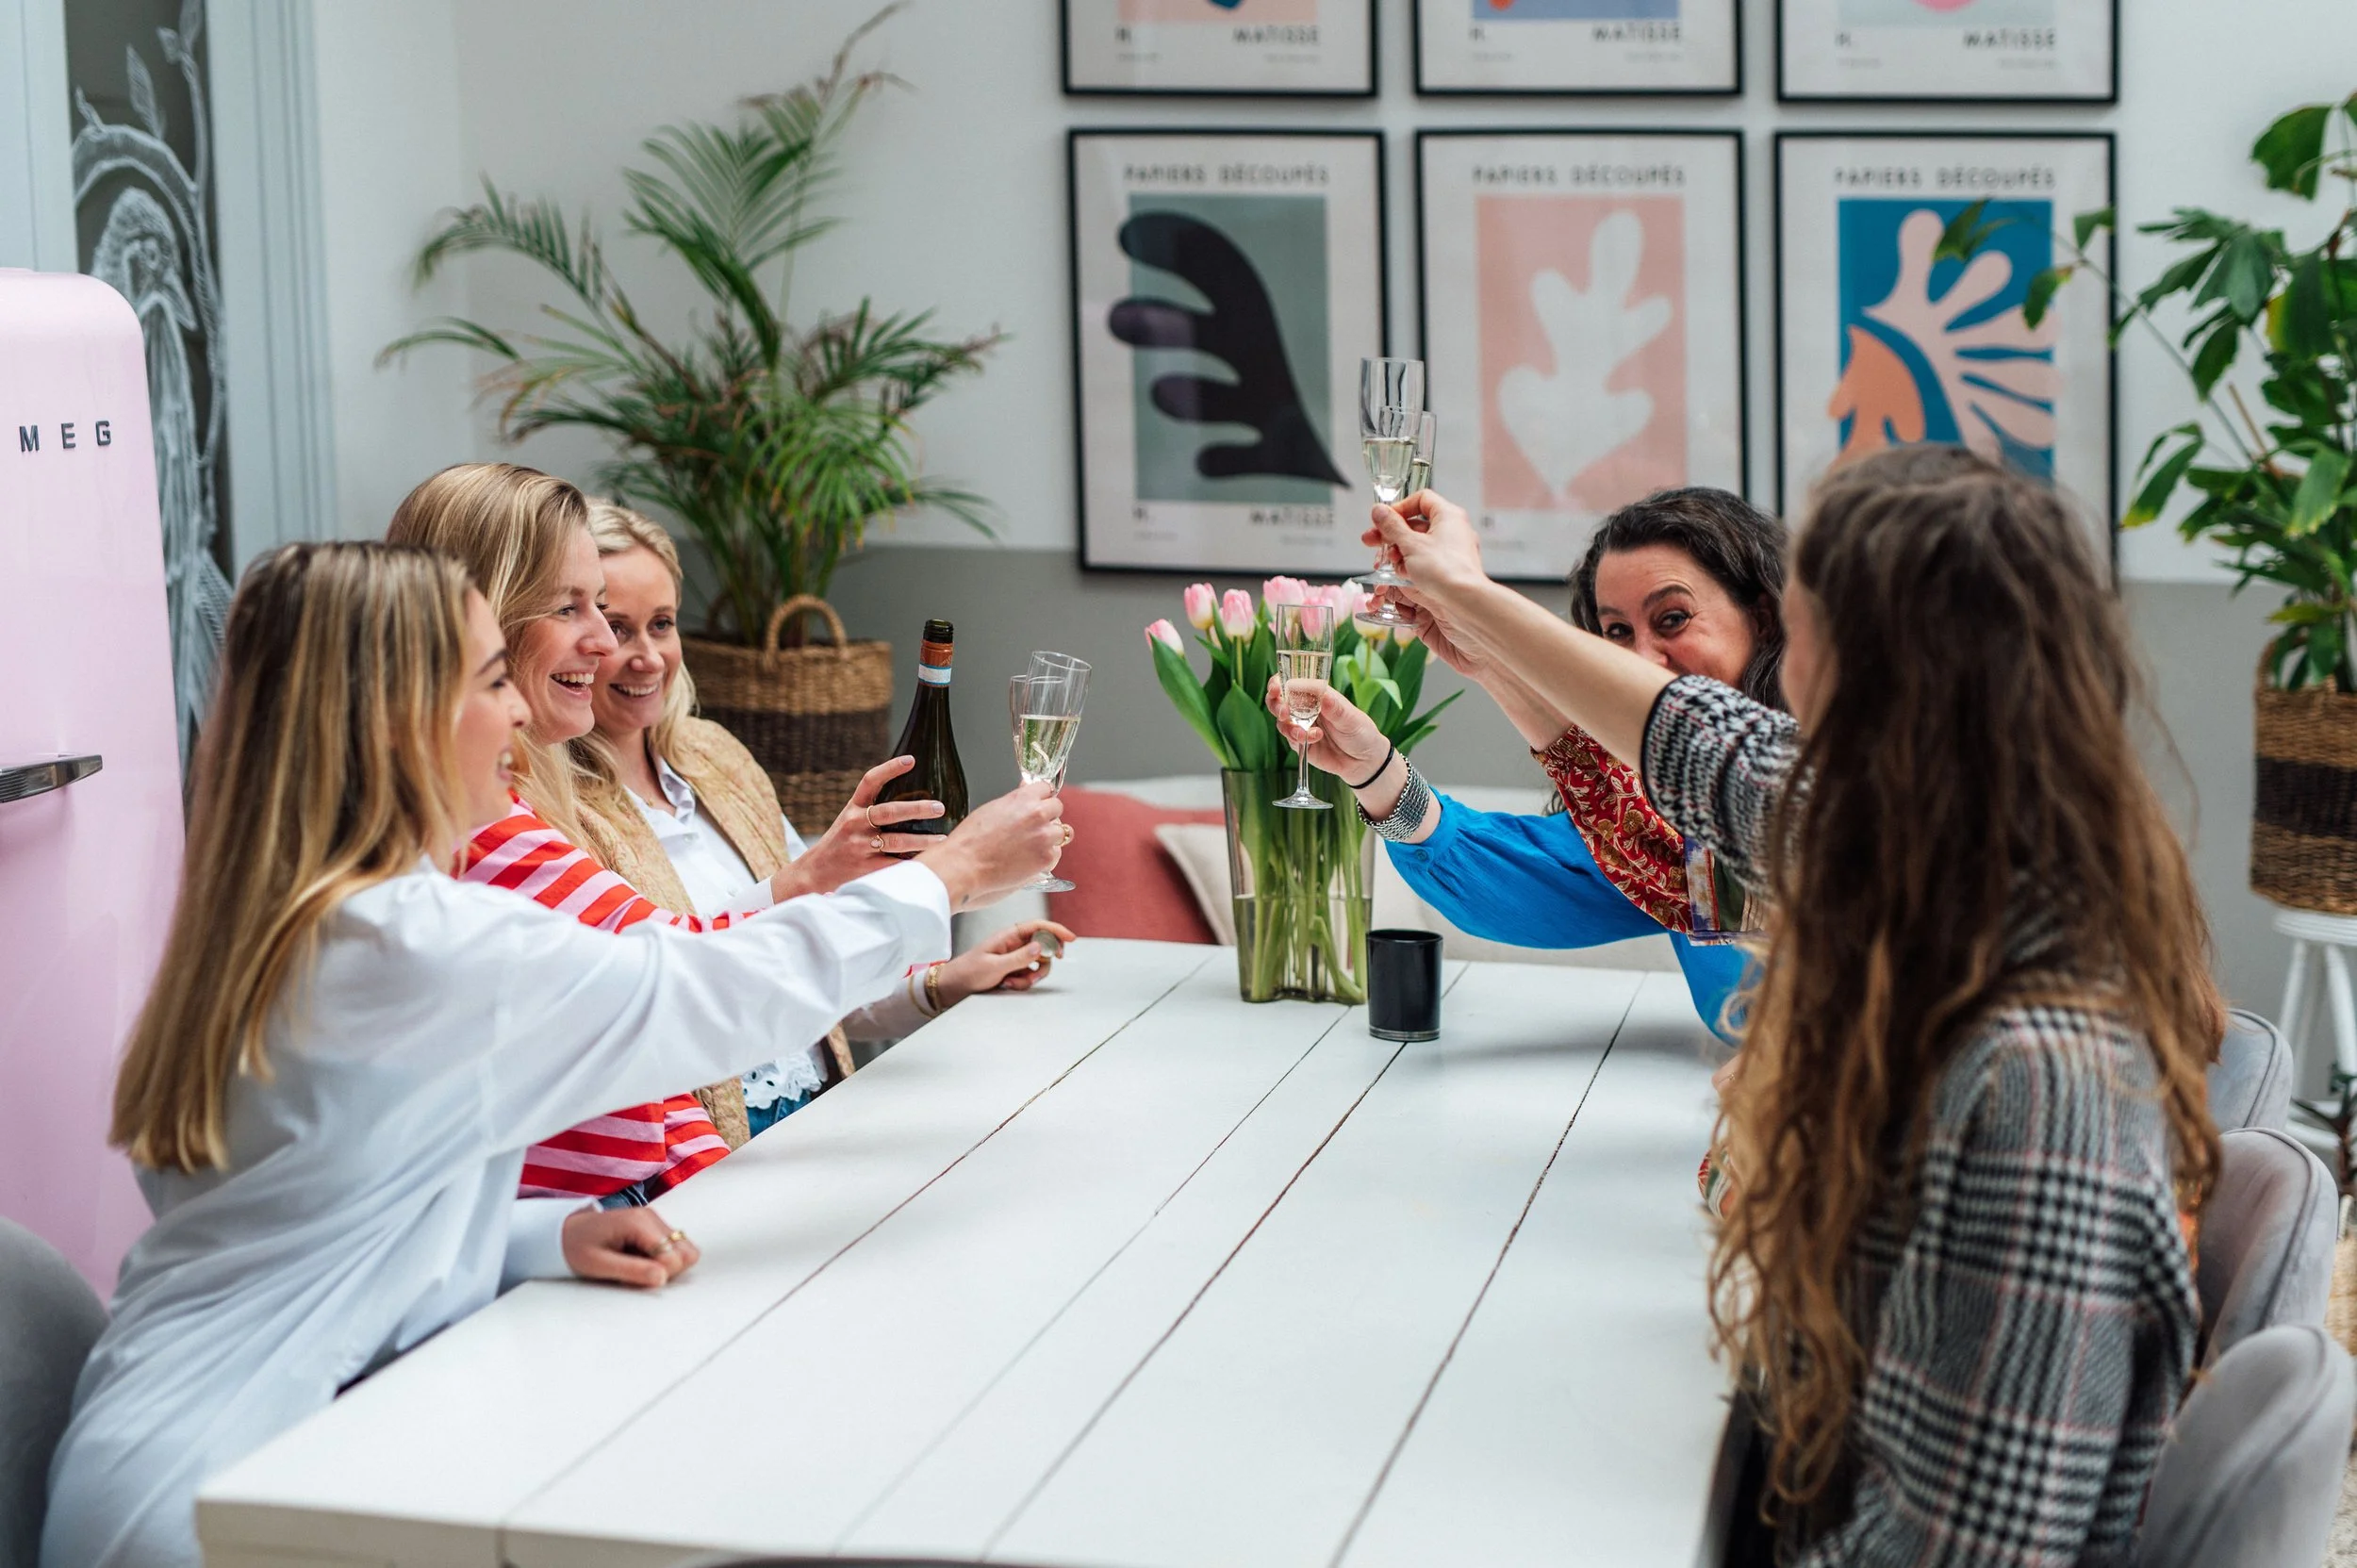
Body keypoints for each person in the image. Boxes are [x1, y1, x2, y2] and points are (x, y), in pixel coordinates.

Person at [41, 542, 1063, 1568]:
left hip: (167, 1448)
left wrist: (536, 1237)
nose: (522, 713)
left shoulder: (269, 924)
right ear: (401, 718)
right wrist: (950, 871)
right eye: (493, 681)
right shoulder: (412, 943)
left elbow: (316, 1221)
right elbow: (707, 997)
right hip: (222, 1506)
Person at [1368, 447, 2219, 1564]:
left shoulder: (2034, 1084)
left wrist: (1474, 605)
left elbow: (1954, 1553)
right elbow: (1705, 763)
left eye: (1797, 615)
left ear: (1862, 655)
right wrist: (1475, 622)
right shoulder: (1951, 850)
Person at [387, 464, 1030, 1204]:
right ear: (479, 633)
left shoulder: (702, 757)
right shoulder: (491, 831)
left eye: (654, 621)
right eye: (576, 609)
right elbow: (688, 990)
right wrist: (953, 870)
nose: (610, 645)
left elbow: (668, 1000)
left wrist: (921, 946)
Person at [570, 500, 1076, 1136]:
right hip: (704, 1151)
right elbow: (682, 996)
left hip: (822, 1117)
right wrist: (817, 876)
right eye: (618, 628)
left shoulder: (717, 757)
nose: (647, 656)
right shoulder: (559, 813)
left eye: (662, 623)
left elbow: (809, 980)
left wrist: (945, 982)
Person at [1266, 488, 1784, 1038]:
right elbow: (1520, 884)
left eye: (1673, 619)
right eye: (1616, 633)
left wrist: (1474, 602)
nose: (1642, 659)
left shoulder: (1840, 776)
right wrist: (1374, 772)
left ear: (1764, 619)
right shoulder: (1661, 829)